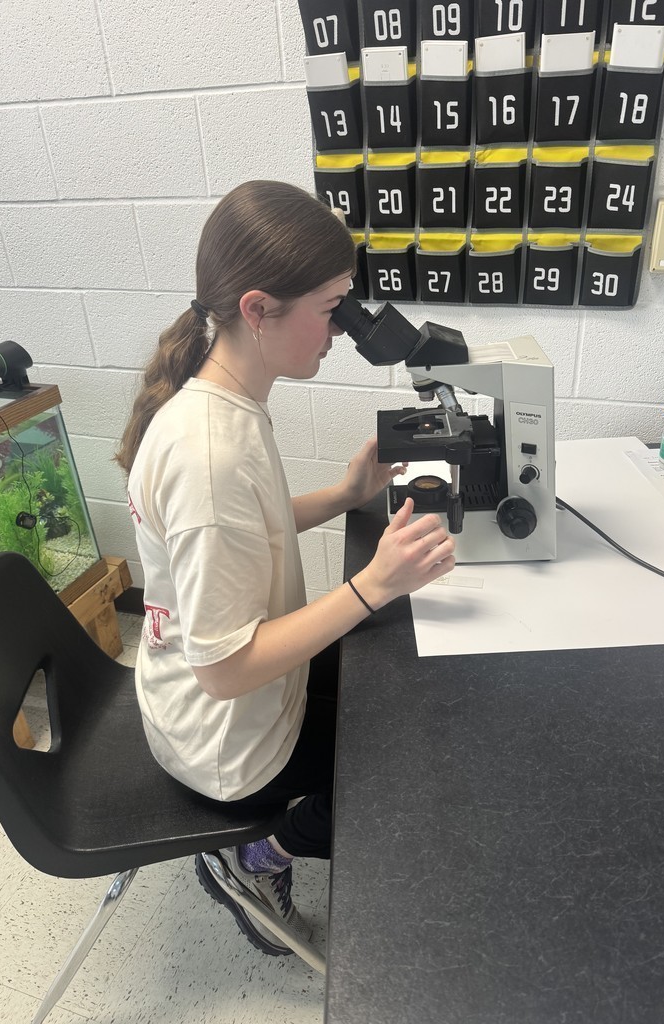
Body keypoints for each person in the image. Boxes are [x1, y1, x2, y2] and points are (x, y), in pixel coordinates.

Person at [115, 180, 455, 956]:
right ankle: (262, 853)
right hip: (230, 743)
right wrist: (373, 584)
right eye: (333, 307)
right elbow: (226, 669)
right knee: (410, 774)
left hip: (202, 693)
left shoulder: (221, 400)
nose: (343, 329)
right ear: (260, 309)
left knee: (397, 682)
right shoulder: (211, 454)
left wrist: (341, 496)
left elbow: (250, 527)